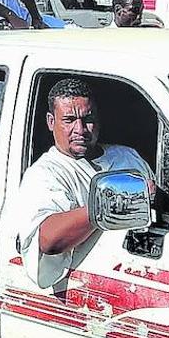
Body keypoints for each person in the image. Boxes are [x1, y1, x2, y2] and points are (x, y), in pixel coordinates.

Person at [14, 79, 152, 289]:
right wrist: (113, 203)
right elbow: (48, 240)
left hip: (135, 274)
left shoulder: (127, 156)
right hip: (82, 295)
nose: (80, 129)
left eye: (88, 119)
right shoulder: (45, 173)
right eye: (68, 120)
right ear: (51, 122)